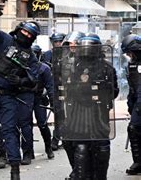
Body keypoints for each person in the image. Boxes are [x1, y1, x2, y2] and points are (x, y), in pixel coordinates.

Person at [0, 7, 40, 180]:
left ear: (32, 39)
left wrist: (21, 81)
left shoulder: (31, 57)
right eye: (24, 32)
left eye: (29, 36)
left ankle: (14, 169)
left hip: (8, 96)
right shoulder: (5, 40)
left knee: (9, 131)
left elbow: (34, 78)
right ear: (19, 30)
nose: (25, 36)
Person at [52, 34, 118, 179]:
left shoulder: (107, 68)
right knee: (78, 146)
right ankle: (79, 173)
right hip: (77, 113)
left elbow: (114, 92)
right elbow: (62, 88)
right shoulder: (70, 67)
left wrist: (100, 90)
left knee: (100, 148)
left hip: (98, 114)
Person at [17, 45, 54, 165]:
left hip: (39, 98)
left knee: (42, 123)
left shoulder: (44, 69)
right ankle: (28, 152)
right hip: (25, 97)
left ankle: (48, 147)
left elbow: (50, 87)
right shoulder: (22, 68)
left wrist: (53, 102)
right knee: (25, 125)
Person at [121, 34, 141, 175]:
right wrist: (130, 103)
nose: (128, 55)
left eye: (130, 52)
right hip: (137, 102)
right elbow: (132, 87)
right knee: (133, 129)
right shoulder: (131, 64)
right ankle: (138, 162)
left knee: (134, 127)